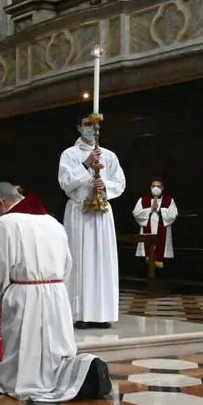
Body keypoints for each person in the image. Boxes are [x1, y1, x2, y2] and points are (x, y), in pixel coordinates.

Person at [0, 183, 112, 402]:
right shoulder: (53, 222)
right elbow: (67, 266)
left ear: (1, 203)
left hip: (23, 296)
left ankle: (22, 379)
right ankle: (70, 374)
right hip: (56, 295)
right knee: (53, 349)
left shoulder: (5, 224)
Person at [58, 116, 126, 329]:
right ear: (79, 127)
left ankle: (101, 313)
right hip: (80, 211)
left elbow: (120, 182)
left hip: (102, 211)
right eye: (87, 125)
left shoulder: (109, 155)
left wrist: (103, 185)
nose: (91, 129)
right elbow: (65, 182)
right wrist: (85, 165)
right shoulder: (69, 154)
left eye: (95, 126)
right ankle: (79, 313)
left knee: (102, 259)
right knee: (80, 258)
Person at [132, 180, 178, 268]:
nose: (156, 188)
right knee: (146, 253)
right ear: (150, 188)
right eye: (153, 186)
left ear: (163, 188)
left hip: (163, 231)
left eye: (158, 186)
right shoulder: (142, 200)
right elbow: (136, 213)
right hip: (147, 229)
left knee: (161, 249)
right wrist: (150, 209)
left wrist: (159, 210)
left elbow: (173, 214)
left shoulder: (169, 200)